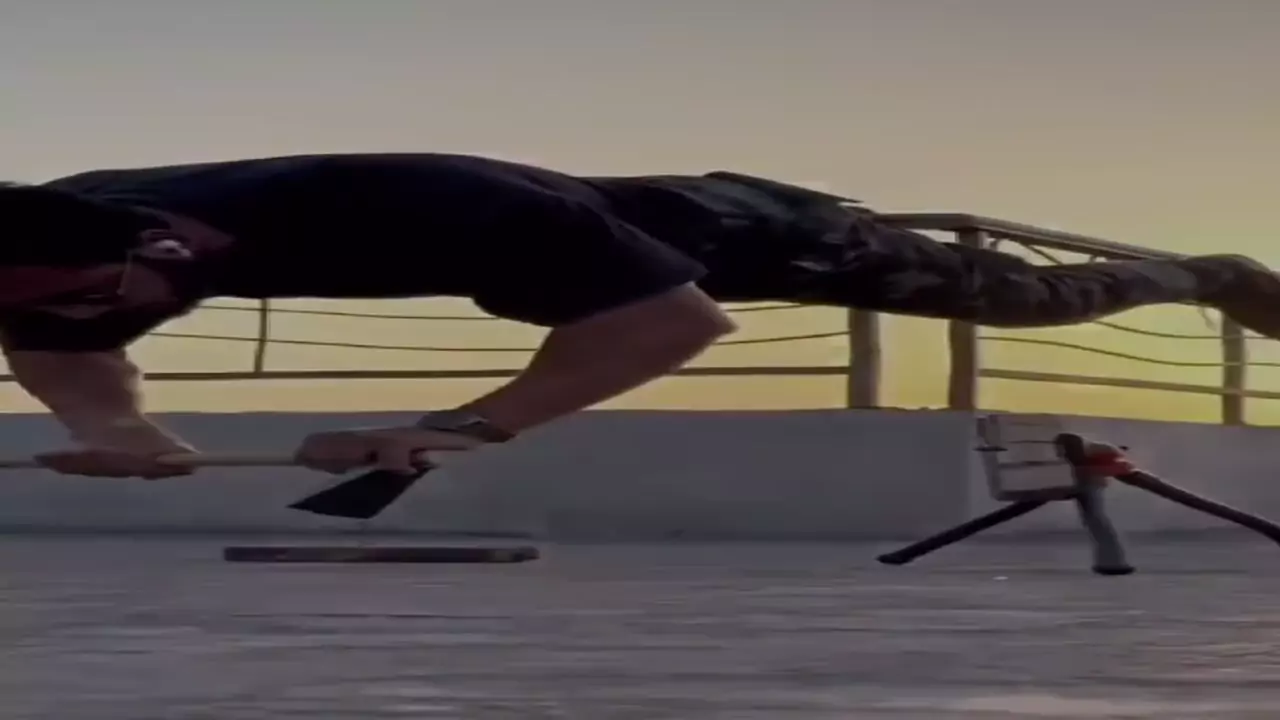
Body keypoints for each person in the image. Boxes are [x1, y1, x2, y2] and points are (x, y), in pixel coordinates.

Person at [1, 152, 1276, 479]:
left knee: (1025, 302)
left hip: (739, 234)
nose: (92, 318)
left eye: (114, 297)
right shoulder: (71, 234)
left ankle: (1207, 273)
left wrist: (461, 426)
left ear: (170, 246)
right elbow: (65, 346)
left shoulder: (430, 204)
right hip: (578, 263)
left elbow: (672, 329)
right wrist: (127, 437)